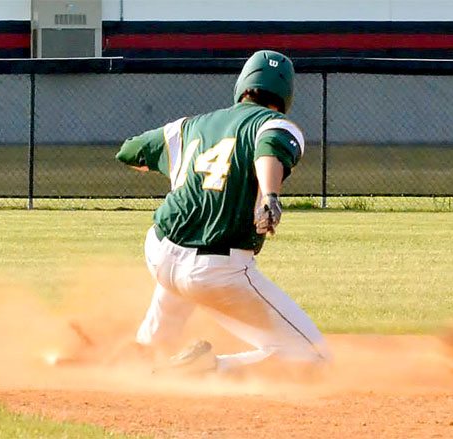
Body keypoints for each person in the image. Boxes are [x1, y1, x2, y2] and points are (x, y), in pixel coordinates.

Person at [115, 50, 330, 375]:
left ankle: (140, 354)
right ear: (286, 94)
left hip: (159, 251)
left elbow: (129, 151)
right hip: (217, 270)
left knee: (177, 286)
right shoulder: (276, 124)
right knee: (314, 357)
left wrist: (175, 164)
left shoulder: (188, 126)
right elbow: (269, 148)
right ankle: (210, 368)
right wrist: (270, 195)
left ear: (242, 85)